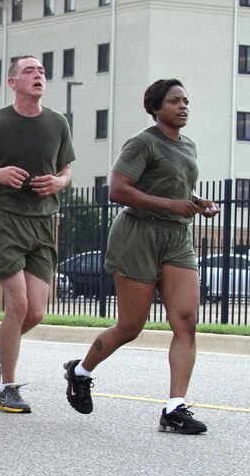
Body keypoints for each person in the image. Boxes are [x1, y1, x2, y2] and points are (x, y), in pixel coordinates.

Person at [64, 79, 215, 434]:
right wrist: (170, 204)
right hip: (138, 235)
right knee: (131, 326)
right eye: (175, 101)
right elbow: (117, 190)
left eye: (186, 101)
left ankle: (174, 407)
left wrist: (196, 203)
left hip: (176, 236)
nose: (183, 106)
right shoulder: (143, 143)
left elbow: (176, 187)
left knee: (186, 320)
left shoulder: (188, 145)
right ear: (156, 107)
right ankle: (81, 371)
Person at [0, 55, 74, 414]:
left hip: (42, 221)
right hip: (5, 219)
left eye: (41, 71)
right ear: (12, 82)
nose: (38, 76)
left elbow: (66, 170)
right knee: (19, 304)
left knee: (37, 312)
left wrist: (58, 182)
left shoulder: (57, 122)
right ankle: (8, 388)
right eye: (29, 71)